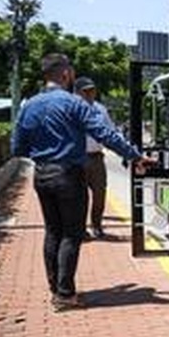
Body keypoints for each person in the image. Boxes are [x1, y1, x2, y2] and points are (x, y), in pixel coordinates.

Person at [11, 54, 154, 311]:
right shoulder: (74, 103)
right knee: (71, 234)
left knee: (52, 231)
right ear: (66, 74)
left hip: (41, 175)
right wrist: (134, 155)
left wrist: (44, 151)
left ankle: (56, 289)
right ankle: (65, 294)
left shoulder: (29, 105)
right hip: (68, 175)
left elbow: (17, 147)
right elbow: (105, 134)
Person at [74, 76, 110, 239]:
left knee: (100, 195)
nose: (91, 93)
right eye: (86, 91)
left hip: (96, 158)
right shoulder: (70, 109)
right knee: (79, 197)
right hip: (77, 159)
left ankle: (97, 225)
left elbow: (111, 132)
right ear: (78, 93)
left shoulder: (100, 109)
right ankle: (79, 229)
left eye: (93, 90)